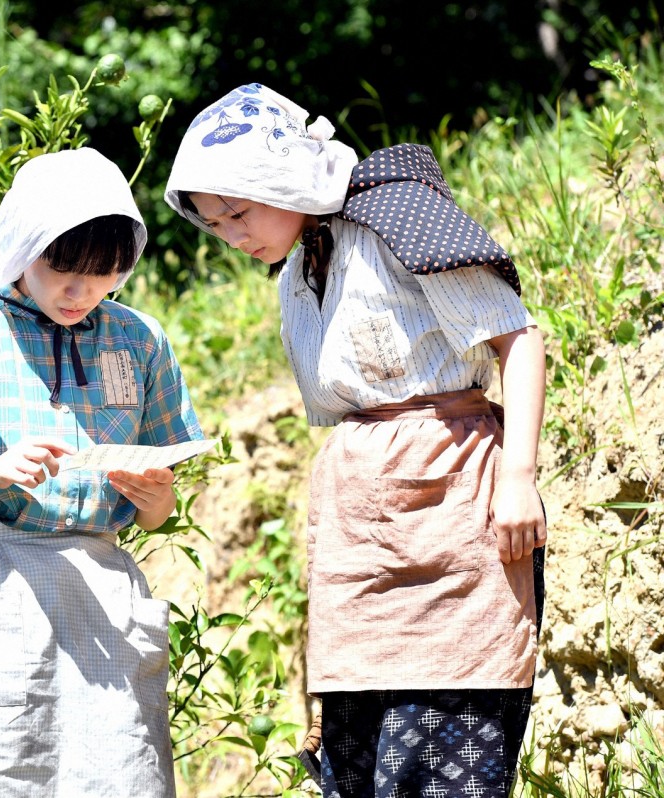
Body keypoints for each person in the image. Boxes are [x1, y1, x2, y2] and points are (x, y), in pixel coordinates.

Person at [164, 83, 547, 797]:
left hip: (451, 498)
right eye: (215, 226)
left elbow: (517, 338)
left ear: (282, 178)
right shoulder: (297, 273)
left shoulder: (396, 219)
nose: (232, 235)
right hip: (358, 523)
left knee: (451, 733)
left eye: (239, 210)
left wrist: (518, 476)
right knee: (360, 750)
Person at [0, 147, 204, 798]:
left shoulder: (139, 340)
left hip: (106, 599)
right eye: (63, 270)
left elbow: (158, 511)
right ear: (23, 246)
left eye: (105, 273)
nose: (82, 292)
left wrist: (154, 497)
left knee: (118, 775)